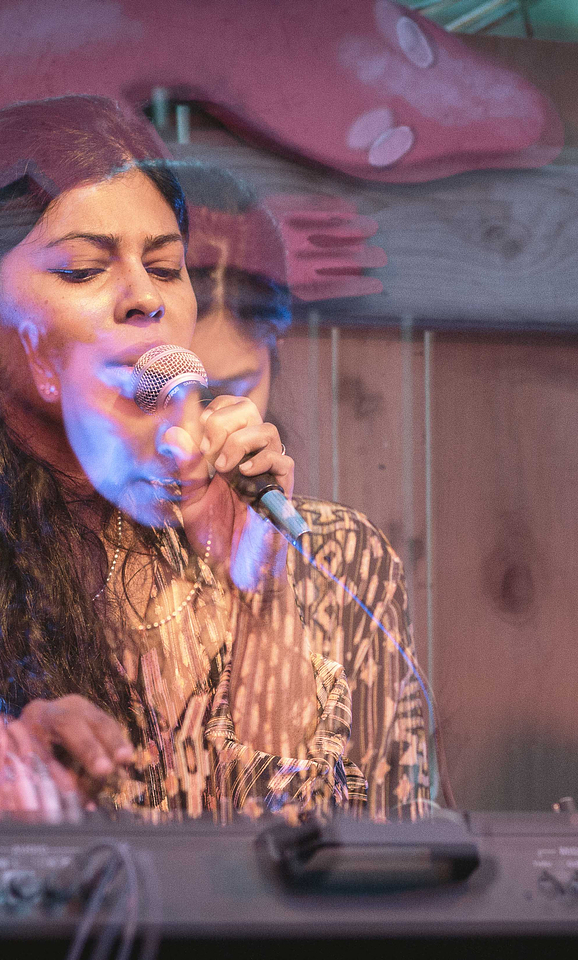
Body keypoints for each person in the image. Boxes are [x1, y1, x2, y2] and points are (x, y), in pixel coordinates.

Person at [0, 97, 428, 960]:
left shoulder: (327, 557)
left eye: (167, 267)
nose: (144, 301)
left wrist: (264, 599)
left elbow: (385, 893)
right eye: (83, 272)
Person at [173, 161, 438, 823]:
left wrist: (262, 585)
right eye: (180, 392)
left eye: (227, 389)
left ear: (273, 357)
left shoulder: (342, 554)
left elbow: (395, 826)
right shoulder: (78, 547)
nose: (204, 423)